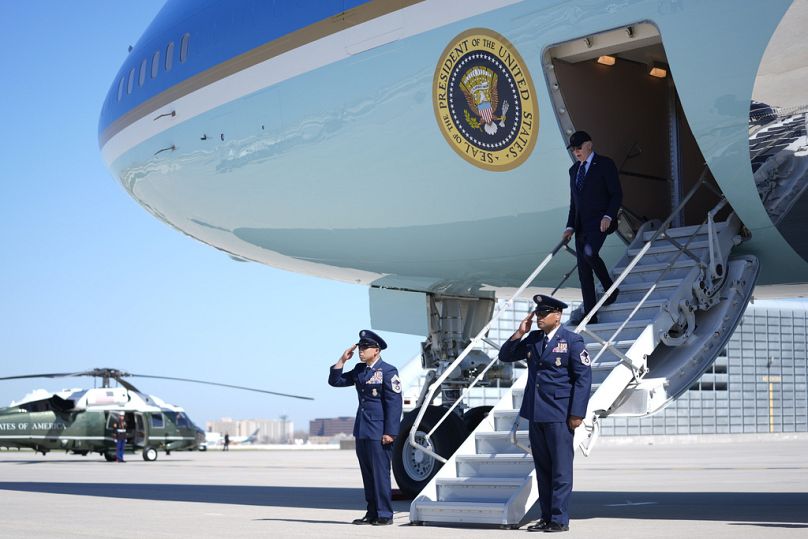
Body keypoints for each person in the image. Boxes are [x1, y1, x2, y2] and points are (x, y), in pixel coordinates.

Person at [498, 294, 592, 532]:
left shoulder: (572, 341)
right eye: (537, 313)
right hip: (537, 412)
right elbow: (505, 355)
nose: (538, 318)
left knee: (560, 469)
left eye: (543, 314)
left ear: (557, 315)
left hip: (560, 415)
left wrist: (576, 413)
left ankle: (559, 520)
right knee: (543, 469)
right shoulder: (533, 339)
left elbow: (583, 379)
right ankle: (546, 516)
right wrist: (520, 332)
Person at [328, 329, 403, 526]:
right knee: (368, 475)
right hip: (362, 429)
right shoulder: (360, 370)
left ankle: (384, 514)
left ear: (376, 350)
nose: (361, 351)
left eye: (365, 347)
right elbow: (335, 381)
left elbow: (394, 403)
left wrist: (390, 432)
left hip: (380, 432)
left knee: (380, 474)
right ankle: (371, 513)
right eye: (360, 347)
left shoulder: (388, 371)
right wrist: (342, 360)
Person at [562, 131, 623, 324]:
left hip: (600, 222)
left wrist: (608, 215)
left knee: (589, 253)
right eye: (573, 149)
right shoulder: (573, 171)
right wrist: (569, 226)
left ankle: (610, 289)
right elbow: (575, 203)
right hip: (581, 225)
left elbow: (616, 194)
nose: (576, 152)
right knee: (583, 272)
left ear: (589, 145)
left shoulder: (605, 164)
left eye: (579, 147)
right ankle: (591, 316)